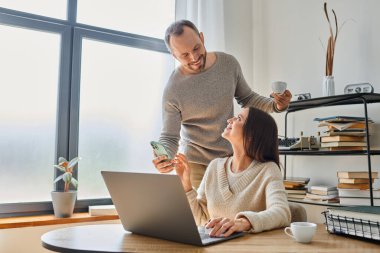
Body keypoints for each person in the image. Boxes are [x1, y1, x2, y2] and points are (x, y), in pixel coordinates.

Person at [153, 19, 292, 188]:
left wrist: (276, 106)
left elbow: (247, 98)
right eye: (184, 55)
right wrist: (163, 156)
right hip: (196, 165)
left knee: (231, 213)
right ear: (174, 56)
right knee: (201, 214)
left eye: (196, 48)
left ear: (202, 38)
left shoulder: (228, 64)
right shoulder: (173, 89)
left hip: (230, 160)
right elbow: (169, 137)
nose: (194, 57)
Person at [172, 107, 291, 236]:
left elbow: (282, 212)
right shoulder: (214, 166)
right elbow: (201, 219)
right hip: (214, 247)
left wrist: (244, 222)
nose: (230, 120)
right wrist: (186, 186)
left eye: (238, 118)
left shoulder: (268, 170)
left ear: (251, 135)